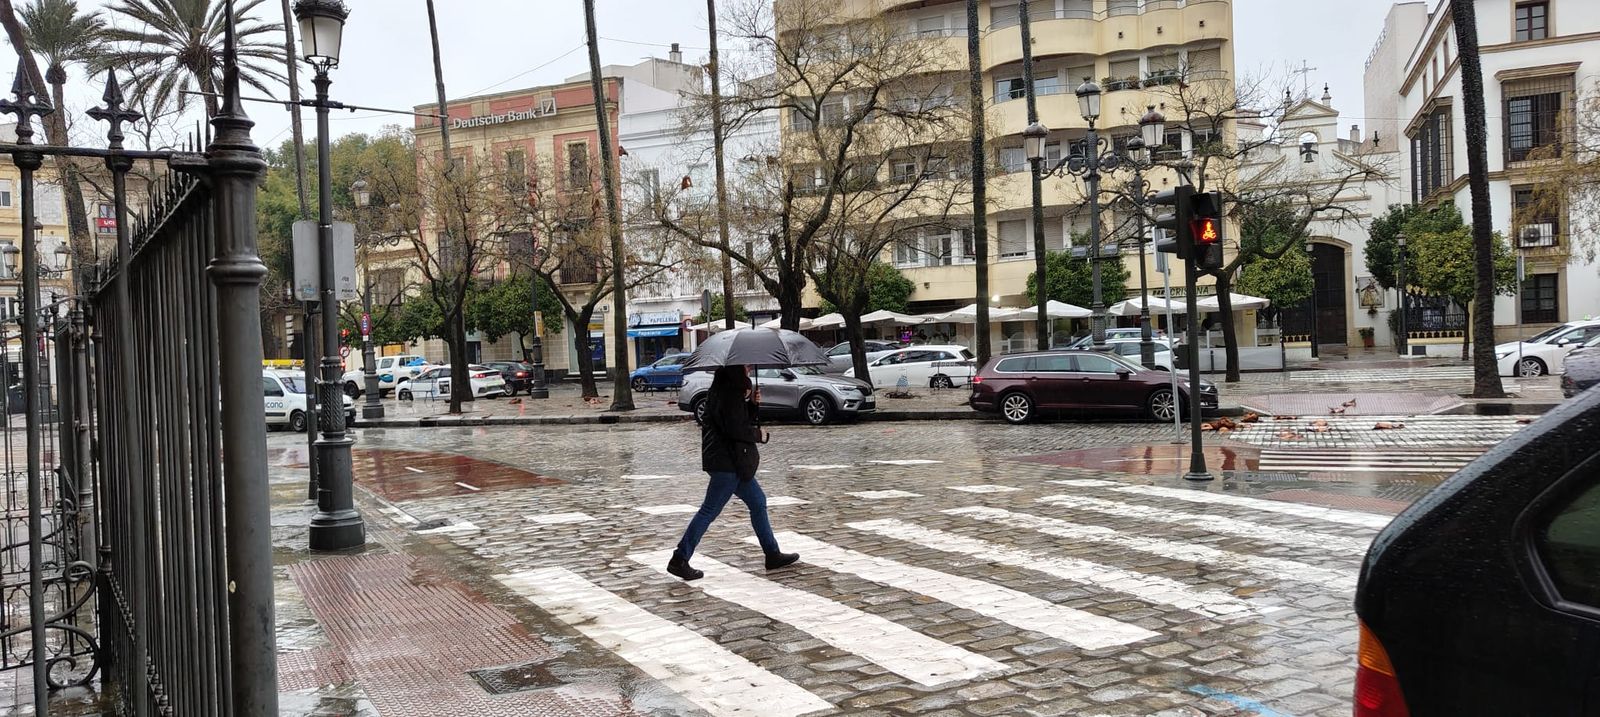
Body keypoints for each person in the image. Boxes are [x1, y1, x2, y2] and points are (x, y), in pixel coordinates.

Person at [667, 365, 799, 581]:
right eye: (744, 368)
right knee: (709, 511)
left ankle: (772, 554)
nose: (748, 370)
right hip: (726, 463)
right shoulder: (728, 395)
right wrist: (758, 434)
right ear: (734, 372)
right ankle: (679, 559)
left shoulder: (726, 392)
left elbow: (738, 419)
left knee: (758, 502)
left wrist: (752, 405)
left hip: (732, 462)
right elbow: (735, 429)